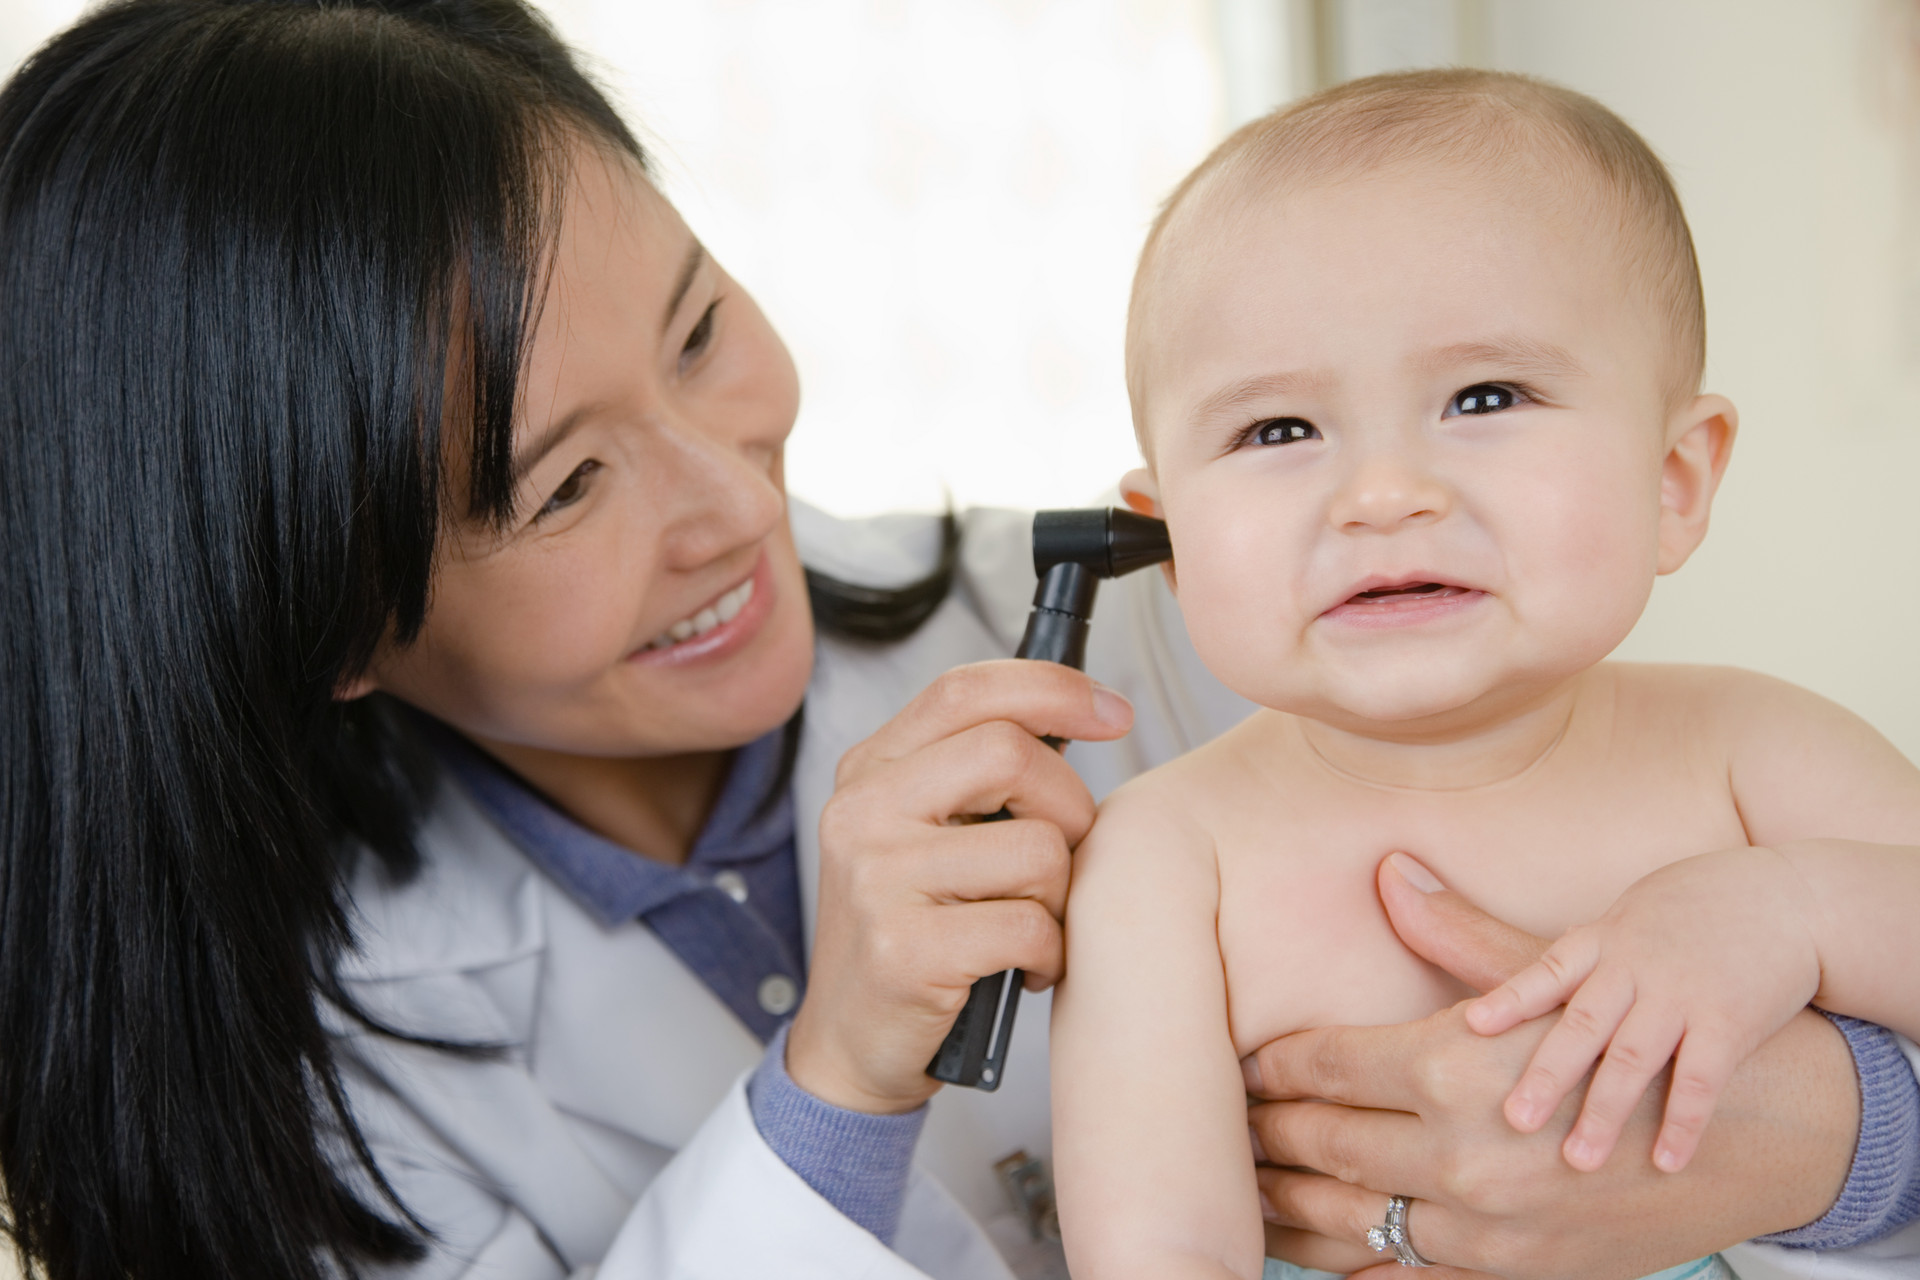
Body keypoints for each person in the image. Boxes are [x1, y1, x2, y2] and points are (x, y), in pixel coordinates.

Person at [0, 6, 1910, 1279]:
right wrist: (836, 1074)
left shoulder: (1195, 629)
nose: (728, 496)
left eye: (694, 329)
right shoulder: (281, 1066)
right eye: (564, 485)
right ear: (323, 612)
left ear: (1683, 475)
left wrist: (1837, 1142)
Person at [1049, 69, 1920, 1280]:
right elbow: (1157, 1252)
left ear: (1675, 479)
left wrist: (1801, 910)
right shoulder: (1160, 858)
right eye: (1279, 430)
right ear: (1173, 543)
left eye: (1484, 395)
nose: (1384, 492)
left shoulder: (1755, 754)